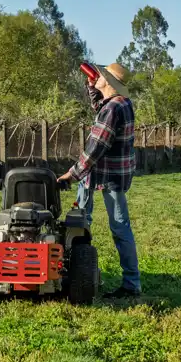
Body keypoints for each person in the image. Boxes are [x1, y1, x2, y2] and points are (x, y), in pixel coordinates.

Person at [57, 62, 141, 298]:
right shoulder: (120, 104)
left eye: (101, 76)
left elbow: (95, 148)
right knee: (80, 222)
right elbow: (99, 107)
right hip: (100, 173)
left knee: (118, 227)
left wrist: (71, 175)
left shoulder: (113, 109)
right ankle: (76, 272)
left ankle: (131, 284)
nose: (98, 77)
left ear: (109, 83)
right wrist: (92, 87)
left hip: (106, 174)